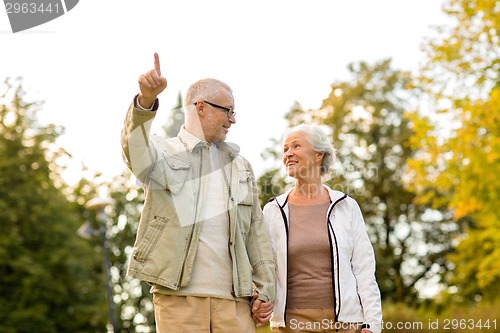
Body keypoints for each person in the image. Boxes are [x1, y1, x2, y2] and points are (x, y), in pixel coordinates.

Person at [121, 53, 275, 332]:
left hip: (235, 301)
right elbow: (134, 149)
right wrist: (145, 102)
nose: (233, 120)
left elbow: (256, 232)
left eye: (233, 112)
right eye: (228, 111)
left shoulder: (241, 167)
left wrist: (266, 290)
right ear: (201, 107)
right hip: (178, 298)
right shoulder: (163, 152)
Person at [262, 124, 382, 333]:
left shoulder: (346, 206)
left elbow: (364, 269)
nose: (288, 153)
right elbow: (264, 268)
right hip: (293, 323)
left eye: (296, 146)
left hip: (346, 323)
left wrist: (372, 324)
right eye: (285, 149)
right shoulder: (273, 210)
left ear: (318, 155)